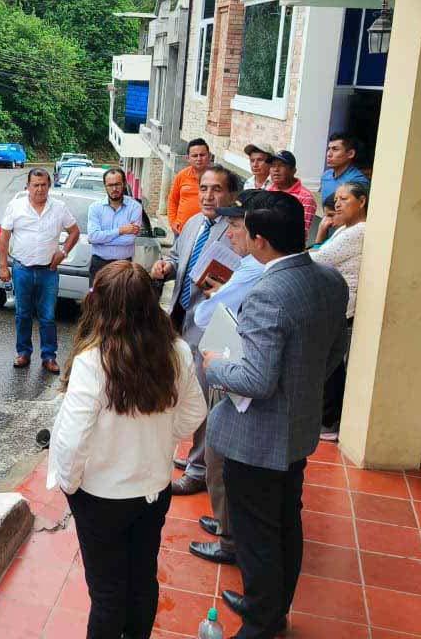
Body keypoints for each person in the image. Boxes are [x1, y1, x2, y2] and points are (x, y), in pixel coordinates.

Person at [202, 192, 348, 639]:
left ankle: (261, 623)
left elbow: (256, 379)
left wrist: (214, 364)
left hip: (258, 437)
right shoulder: (330, 280)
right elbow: (335, 350)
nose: (240, 237)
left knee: (257, 535)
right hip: (297, 426)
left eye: (244, 230)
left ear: (261, 240)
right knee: (285, 521)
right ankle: (269, 606)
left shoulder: (269, 293)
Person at [47, 261, 206, 639]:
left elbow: (72, 438)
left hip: (101, 495)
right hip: (153, 489)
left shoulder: (93, 361)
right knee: (142, 580)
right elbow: (195, 412)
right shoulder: (176, 351)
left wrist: (69, 482)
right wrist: (161, 439)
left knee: (107, 592)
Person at [185, 190, 274, 568]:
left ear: (256, 233)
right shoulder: (257, 266)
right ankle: (226, 523)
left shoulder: (253, 269)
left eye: (236, 226)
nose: (231, 234)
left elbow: (205, 316)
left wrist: (216, 295)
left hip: (233, 368)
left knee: (221, 455)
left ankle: (229, 538)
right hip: (238, 367)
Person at [150, 164, 239, 496]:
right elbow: (177, 257)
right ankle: (194, 456)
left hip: (214, 324)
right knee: (185, 389)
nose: (208, 196)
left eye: (217, 189)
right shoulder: (192, 224)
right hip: (182, 318)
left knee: (204, 396)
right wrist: (167, 267)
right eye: (203, 188)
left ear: (231, 195)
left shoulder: (236, 230)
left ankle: (200, 469)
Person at [0, 168, 80, 374]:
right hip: (22, 269)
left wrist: (63, 252)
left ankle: (49, 356)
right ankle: (23, 353)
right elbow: (4, 237)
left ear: (49, 186)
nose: (40, 189)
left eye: (43, 185)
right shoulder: (16, 206)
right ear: (28, 186)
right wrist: (3, 266)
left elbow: (74, 232)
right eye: (35, 185)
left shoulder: (59, 208)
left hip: (48, 272)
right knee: (22, 314)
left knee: (48, 316)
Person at [311, 182, 368, 441]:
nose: (337, 204)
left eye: (345, 199)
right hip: (331, 304)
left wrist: (315, 243)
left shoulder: (360, 231)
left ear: (362, 202)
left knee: (331, 365)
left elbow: (319, 259)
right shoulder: (345, 228)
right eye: (337, 199)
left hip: (341, 306)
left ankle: (329, 420)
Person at [87, 168, 143, 284]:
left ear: (124, 184)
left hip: (124, 266)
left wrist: (101, 239)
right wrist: (121, 230)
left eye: (117, 184)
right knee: (96, 296)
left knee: (122, 296)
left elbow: (129, 240)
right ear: (105, 186)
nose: (114, 189)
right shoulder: (95, 208)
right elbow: (93, 237)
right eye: (110, 185)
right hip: (99, 265)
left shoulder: (135, 207)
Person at [265, 150, 318, 236]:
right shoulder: (268, 190)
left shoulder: (305, 197)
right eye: (273, 165)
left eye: (281, 165)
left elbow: (300, 233)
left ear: (293, 170)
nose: (276, 169)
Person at [167, 138, 213, 234]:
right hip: (182, 230)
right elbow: (172, 201)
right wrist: (173, 222)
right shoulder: (181, 175)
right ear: (187, 158)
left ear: (209, 156)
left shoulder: (216, 177)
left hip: (205, 232)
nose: (199, 159)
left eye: (202, 155)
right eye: (195, 156)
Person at [320, 133, 370, 203]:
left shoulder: (358, 181)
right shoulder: (326, 176)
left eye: (335, 149)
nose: (329, 154)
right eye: (329, 149)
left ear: (350, 154)